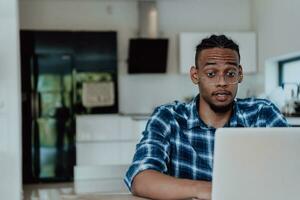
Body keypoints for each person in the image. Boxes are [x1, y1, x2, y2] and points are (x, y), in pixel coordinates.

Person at [124, 34, 289, 200]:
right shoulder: (168, 117)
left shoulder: (263, 113)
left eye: (230, 73)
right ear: (195, 76)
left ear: (240, 74)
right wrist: (207, 190)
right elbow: (141, 178)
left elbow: (292, 168)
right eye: (211, 74)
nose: (222, 82)